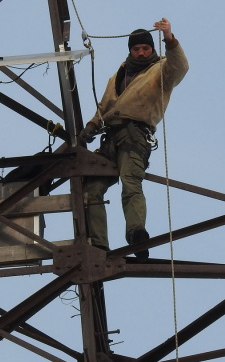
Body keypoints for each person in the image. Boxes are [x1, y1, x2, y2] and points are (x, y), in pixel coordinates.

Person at [79, 18, 189, 261]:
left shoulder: (161, 70)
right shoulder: (119, 75)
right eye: (136, 49)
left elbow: (180, 67)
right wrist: (91, 125)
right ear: (130, 50)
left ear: (152, 49)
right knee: (90, 190)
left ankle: (137, 234)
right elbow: (105, 105)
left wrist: (169, 39)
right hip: (110, 138)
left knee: (130, 182)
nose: (141, 53)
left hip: (135, 135)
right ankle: (98, 245)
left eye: (145, 49)